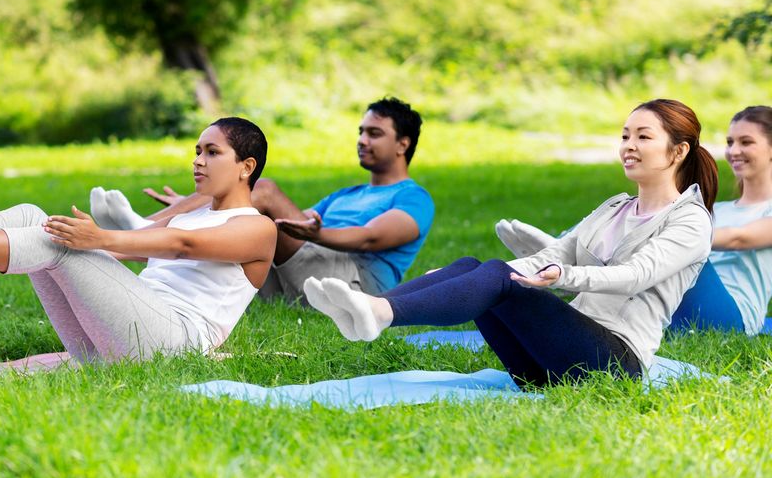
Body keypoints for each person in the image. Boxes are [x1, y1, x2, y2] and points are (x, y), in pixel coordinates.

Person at [305, 99, 716, 386]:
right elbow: (557, 252)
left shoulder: (690, 221)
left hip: (613, 363)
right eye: (625, 136)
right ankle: (370, 310)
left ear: (678, 150)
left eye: (643, 137)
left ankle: (379, 311)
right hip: (550, 365)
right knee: (470, 267)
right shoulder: (616, 207)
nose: (628, 146)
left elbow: (635, 275)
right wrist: (454, 281)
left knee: (497, 277)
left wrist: (561, 276)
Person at [0, 118, 277, 362]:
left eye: (212, 152)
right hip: (125, 333)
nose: (198, 161)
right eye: (197, 151)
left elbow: (184, 247)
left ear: (246, 166)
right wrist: (97, 239)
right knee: (34, 217)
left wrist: (98, 237)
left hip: (173, 345)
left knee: (55, 244)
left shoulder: (258, 227)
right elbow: (143, 245)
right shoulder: (197, 212)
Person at [90, 98, 435, 306]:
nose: (361, 140)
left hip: (355, 285)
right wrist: (198, 205)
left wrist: (315, 235)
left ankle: (145, 228)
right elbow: (298, 224)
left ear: (403, 144)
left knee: (264, 190)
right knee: (243, 221)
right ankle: (152, 228)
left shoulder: (413, 197)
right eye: (360, 131)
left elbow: (371, 238)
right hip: (305, 274)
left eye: (373, 133)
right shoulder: (348, 194)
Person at [498, 105, 772, 335]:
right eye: (729, 142)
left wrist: (673, 234)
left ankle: (569, 255)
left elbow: (739, 238)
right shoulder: (717, 209)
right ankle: (564, 251)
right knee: (658, 244)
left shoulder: (707, 216)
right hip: (676, 314)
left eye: (746, 142)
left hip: (732, 318)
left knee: (678, 238)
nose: (734, 151)